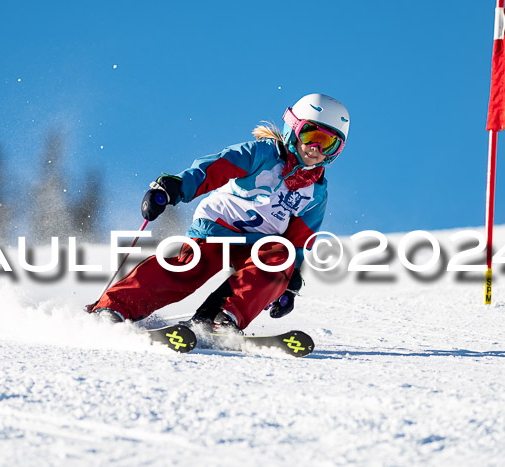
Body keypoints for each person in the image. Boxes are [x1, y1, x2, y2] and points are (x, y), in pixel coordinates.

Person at [85, 93, 350, 332]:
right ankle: (114, 308)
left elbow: (300, 241)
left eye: (328, 143)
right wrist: (174, 188)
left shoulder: (316, 192)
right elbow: (216, 168)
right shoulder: (262, 154)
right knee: (190, 268)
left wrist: (290, 284)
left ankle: (218, 319)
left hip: (260, 244)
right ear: (292, 129)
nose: (316, 148)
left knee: (281, 259)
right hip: (217, 228)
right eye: (310, 135)